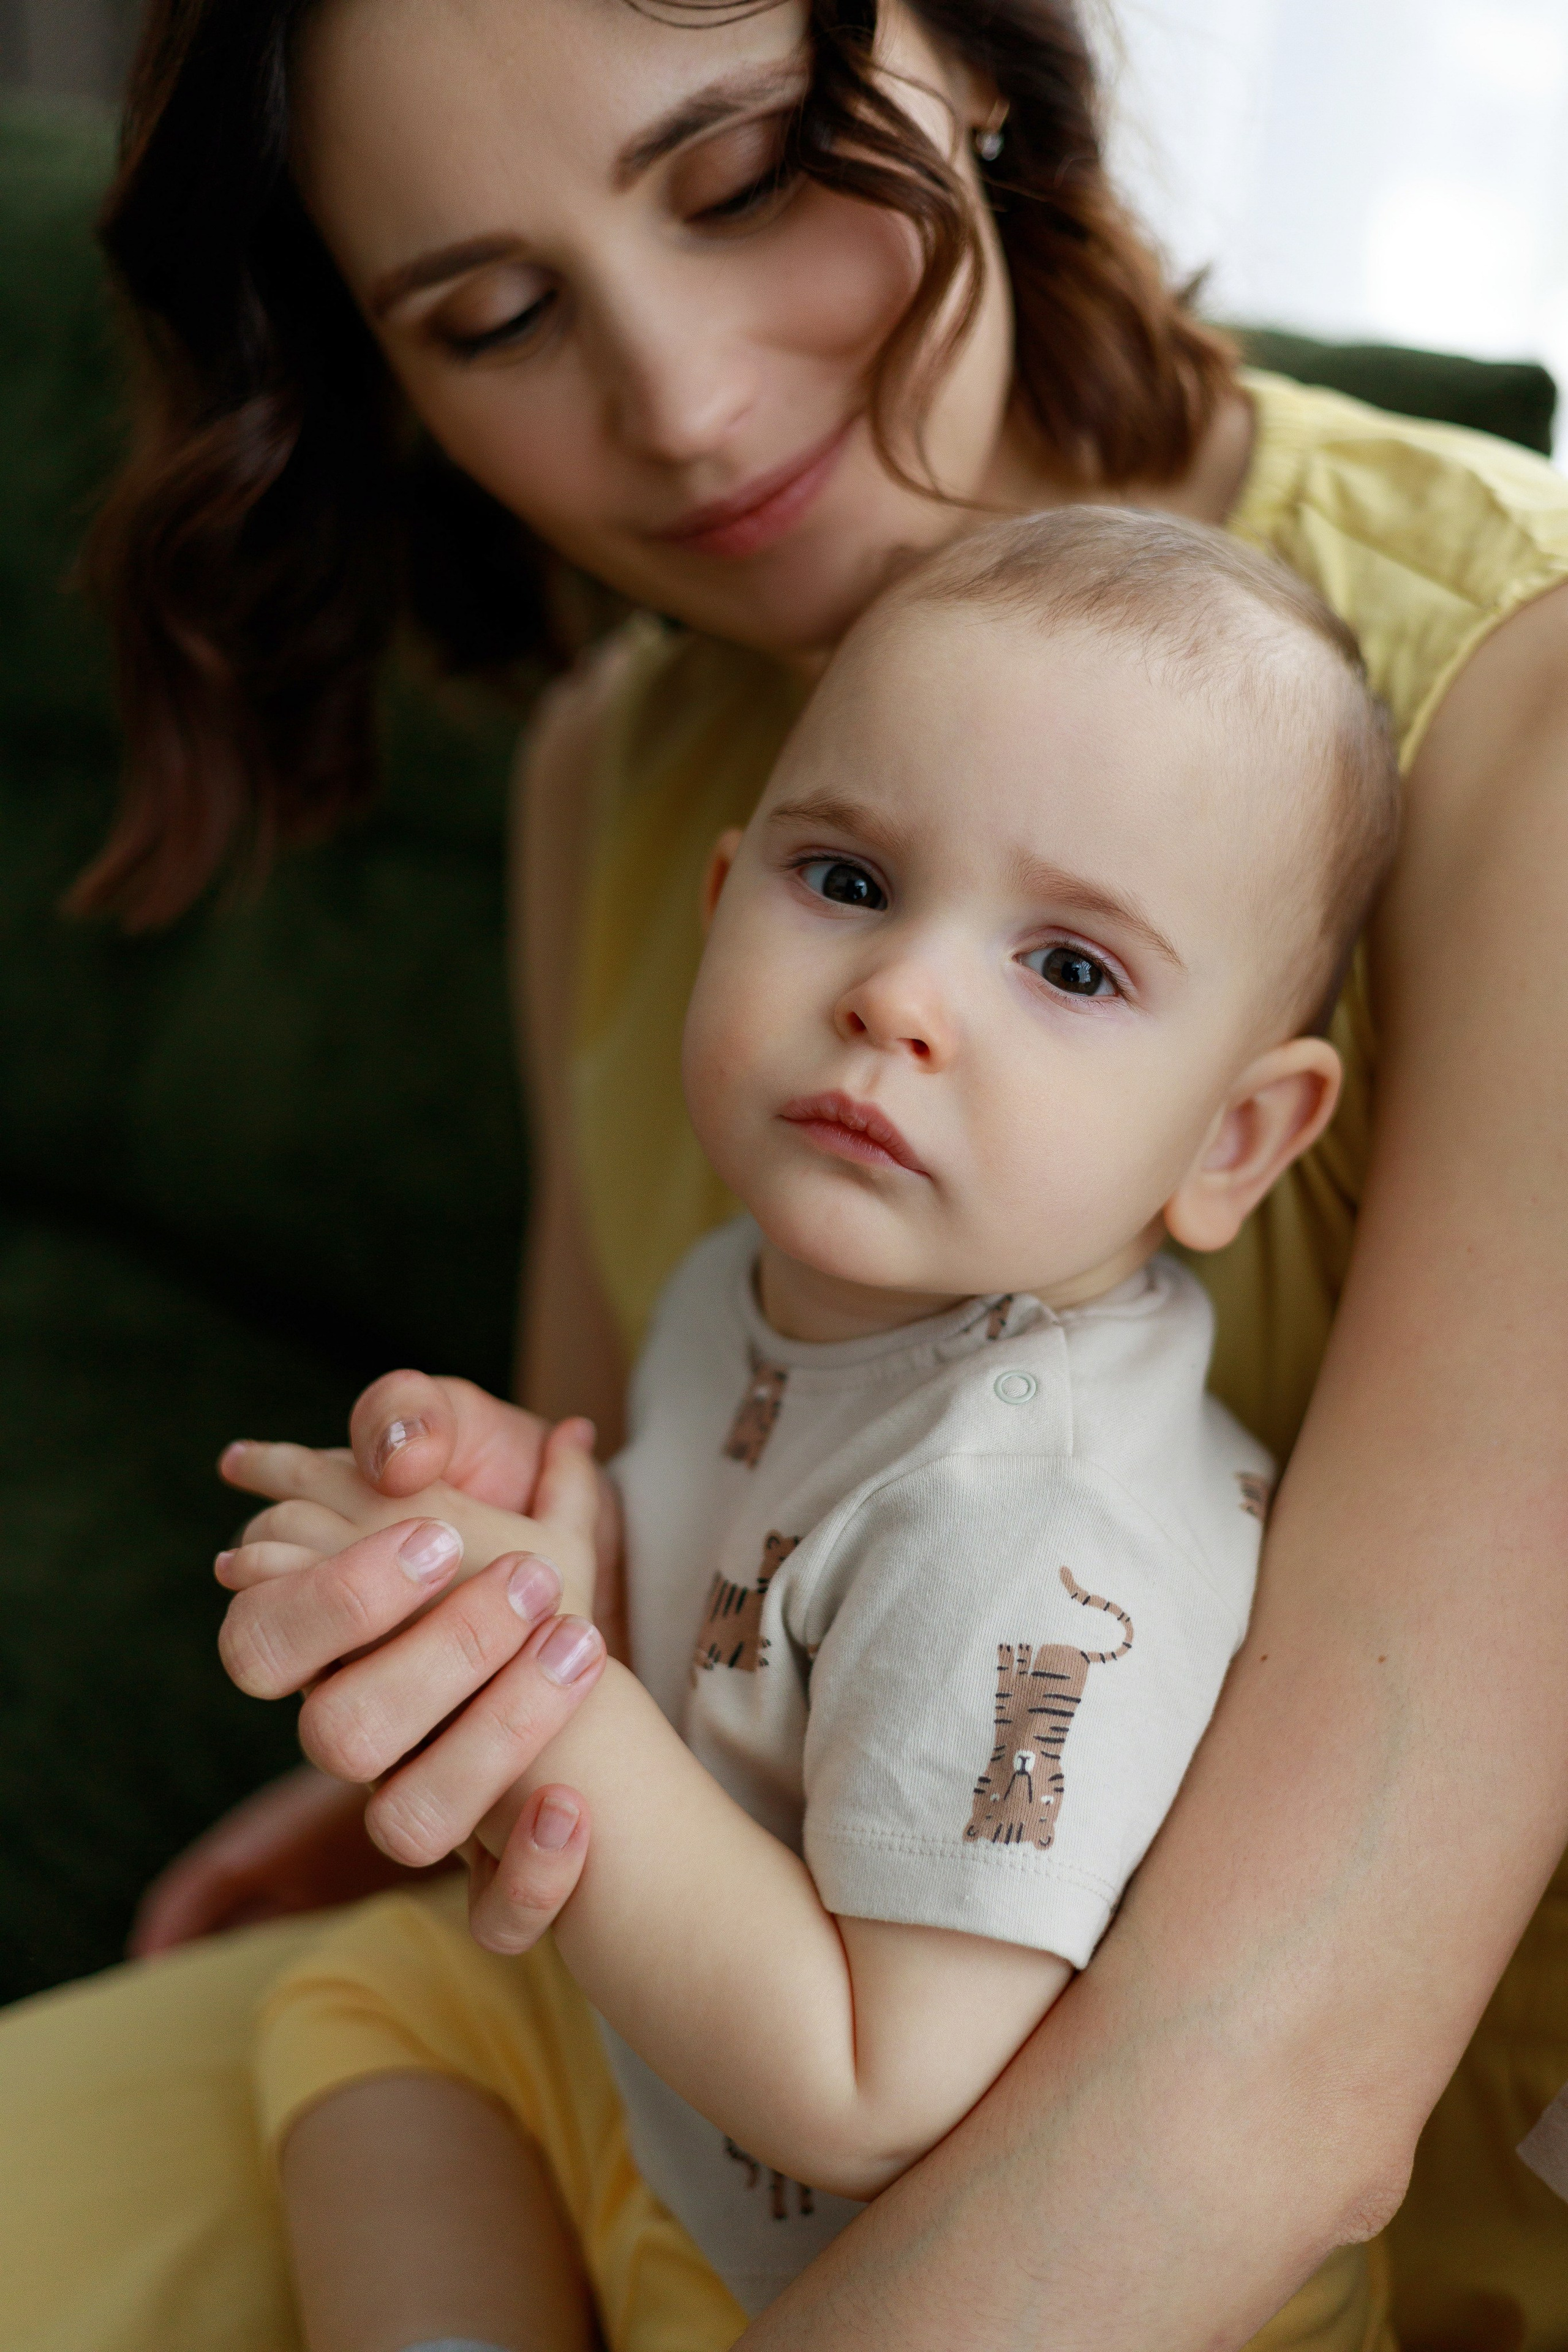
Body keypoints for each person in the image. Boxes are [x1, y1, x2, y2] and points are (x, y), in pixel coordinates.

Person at [2, 0, 1567, 2345]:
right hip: (652, 2050)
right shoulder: (614, 773)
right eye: (495, 318)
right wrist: (465, 1663)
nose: (688, 404)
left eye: (741, 180)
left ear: (977, 58)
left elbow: (1268, 2089)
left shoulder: (1517, 729)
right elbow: (630, 1512)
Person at [214, 508, 1395, 2350]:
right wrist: (519, 1550)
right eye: (845, 880)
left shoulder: (1042, 1523)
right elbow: (708, 1620)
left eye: (1071, 969)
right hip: (666, 2087)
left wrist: (540, 1702)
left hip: (868, 2259)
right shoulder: (734, 1289)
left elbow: (878, 2090)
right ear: (717, 906)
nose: (896, 998)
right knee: (368, 2008)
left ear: (1235, 1139)